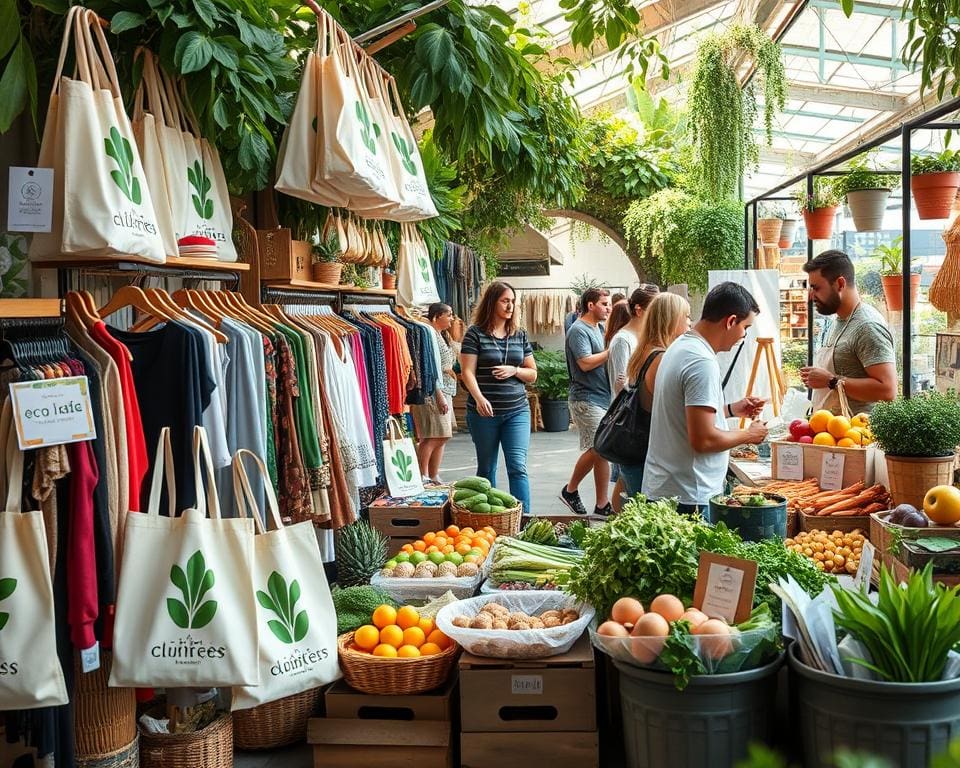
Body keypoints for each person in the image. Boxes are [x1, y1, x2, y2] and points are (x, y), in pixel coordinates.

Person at [642, 282, 768, 514]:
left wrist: (730, 409)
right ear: (730, 321)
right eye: (745, 327)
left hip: (671, 487)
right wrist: (748, 435)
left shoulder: (681, 346)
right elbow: (703, 440)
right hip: (689, 495)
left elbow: (685, 412)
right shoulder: (701, 361)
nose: (743, 336)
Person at [460, 281, 538, 513]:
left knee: (517, 466)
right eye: (505, 300)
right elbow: (466, 372)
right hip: (484, 413)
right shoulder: (475, 334)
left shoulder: (519, 335)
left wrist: (515, 370)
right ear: (492, 302)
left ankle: (525, 520)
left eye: (512, 301)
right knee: (486, 470)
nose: (510, 305)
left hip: (517, 411)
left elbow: (532, 373)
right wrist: (479, 398)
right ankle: (489, 520)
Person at [800, 250, 897, 414]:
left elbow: (887, 390)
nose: (811, 296)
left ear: (839, 284)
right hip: (831, 432)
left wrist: (831, 381)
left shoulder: (867, 326)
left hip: (857, 434)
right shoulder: (836, 320)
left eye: (816, 288)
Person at [616, 292, 691, 502]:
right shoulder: (661, 358)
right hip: (647, 453)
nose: (689, 322)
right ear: (672, 319)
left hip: (635, 451)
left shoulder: (645, 351)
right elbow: (677, 410)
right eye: (686, 316)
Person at [605, 284, 660, 512]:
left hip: (638, 421)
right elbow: (621, 386)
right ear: (639, 310)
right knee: (626, 479)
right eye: (653, 309)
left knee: (625, 479)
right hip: (628, 422)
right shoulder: (623, 340)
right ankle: (617, 520)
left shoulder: (642, 338)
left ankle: (617, 521)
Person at [560, 287, 613, 515]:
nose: (608, 307)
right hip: (586, 398)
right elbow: (585, 363)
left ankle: (602, 505)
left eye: (609, 303)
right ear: (590, 305)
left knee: (602, 451)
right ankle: (570, 490)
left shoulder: (599, 328)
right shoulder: (578, 330)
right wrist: (613, 351)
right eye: (604, 303)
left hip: (601, 397)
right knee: (599, 447)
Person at [412, 303, 458, 484]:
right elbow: (429, 367)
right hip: (433, 391)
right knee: (433, 434)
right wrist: (438, 394)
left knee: (442, 434)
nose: (452, 319)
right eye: (449, 315)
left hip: (446, 389)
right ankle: (422, 474)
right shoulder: (428, 334)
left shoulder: (441, 335)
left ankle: (433, 474)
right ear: (437, 316)